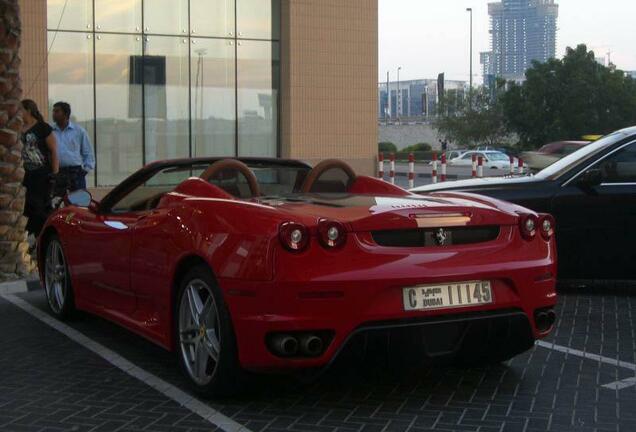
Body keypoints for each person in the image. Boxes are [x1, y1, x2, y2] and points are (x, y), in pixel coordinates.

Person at [21, 99, 59, 237]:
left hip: (41, 175)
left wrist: (55, 174)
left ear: (28, 110)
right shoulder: (17, 127)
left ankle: (41, 236)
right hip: (23, 175)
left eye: (21, 110)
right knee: (26, 206)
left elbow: (54, 150)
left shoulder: (43, 128)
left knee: (39, 207)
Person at [51, 101, 95, 191]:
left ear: (66, 114)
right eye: (53, 111)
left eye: (57, 111)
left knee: (78, 202)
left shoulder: (79, 131)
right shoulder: (50, 131)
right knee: (58, 201)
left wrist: (85, 170)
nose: (53, 114)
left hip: (76, 172)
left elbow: (88, 152)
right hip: (57, 172)